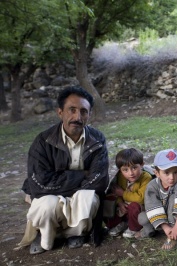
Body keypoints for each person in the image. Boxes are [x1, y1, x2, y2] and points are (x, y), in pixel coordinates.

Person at [17, 86, 109, 255]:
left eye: (83, 111)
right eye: (71, 110)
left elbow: (100, 181)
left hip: (72, 191)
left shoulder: (97, 138)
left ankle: (75, 234)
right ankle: (45, 235)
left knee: (87, 197)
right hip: (50, 195)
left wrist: (64, 183)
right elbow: (39, 184)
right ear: (60, 112)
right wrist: (82, 175)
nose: (77, 117)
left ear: (89, 115)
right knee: (47, 204)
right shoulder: (43, 141)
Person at [135, 149, 177, 251]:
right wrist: (165, 227)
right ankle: (150, 231)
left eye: (176, 172)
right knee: (142, 217)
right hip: (160, 221)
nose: (172, 177)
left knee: (175, 198)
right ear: (156, 173)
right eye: (166, 173)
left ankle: (175, 235)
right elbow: (151, 206)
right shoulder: (152, 186)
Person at [105, 148, 152, 238]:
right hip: (124, 206)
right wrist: (120, 202)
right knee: (109, 199)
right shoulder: (121, 176)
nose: (130, 173)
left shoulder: (146, 177)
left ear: (142, 165)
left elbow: (141, 198)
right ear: (120, 170)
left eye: (134, 168)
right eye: (125, 170)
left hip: (139, 208)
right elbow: (116, 192)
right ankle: (121, 224)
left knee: (134, 206)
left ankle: (133, 228)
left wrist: (123, 194)